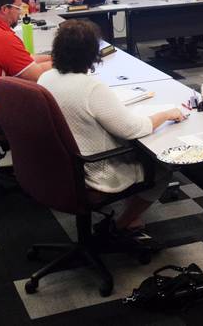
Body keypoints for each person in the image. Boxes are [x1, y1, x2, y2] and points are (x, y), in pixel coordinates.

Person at [38, 19, 186, 238]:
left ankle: (130, 216)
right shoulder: (90, 87)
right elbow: (133, 130)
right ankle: (121, 224)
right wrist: (166, 114)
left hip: (55, 166)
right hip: (92, 171)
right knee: (162, 166)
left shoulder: (45, 78)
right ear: (93, 54)